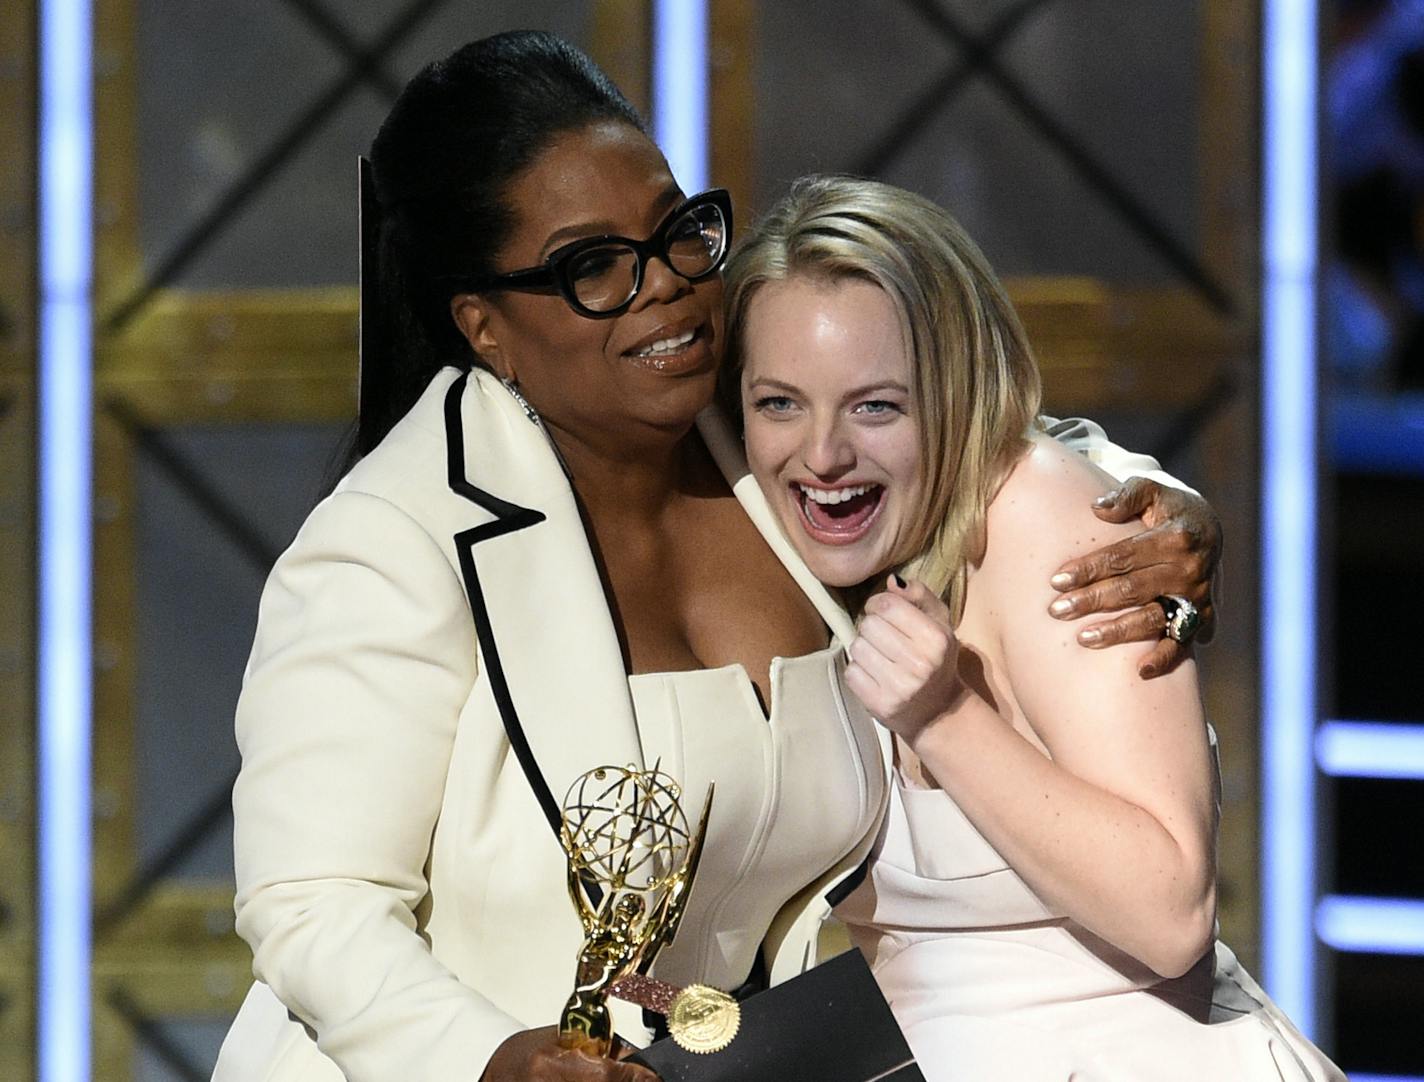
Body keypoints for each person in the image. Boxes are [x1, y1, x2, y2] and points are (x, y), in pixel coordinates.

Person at [212, 32, 1222, 1082]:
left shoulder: (738, 402)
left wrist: (1152, 512)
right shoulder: (390, 539)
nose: (663, 289)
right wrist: (487, 1059)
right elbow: (312, 904)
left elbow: (944, 415)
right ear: (486, 327)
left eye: (676, 232)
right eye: (589, 266)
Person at [725, 173, 1345, 1080]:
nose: (822, 455)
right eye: (779, 403)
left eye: (876, 406)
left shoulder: (1050, 523)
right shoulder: (766, 520)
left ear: (955, 390)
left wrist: (946, 717)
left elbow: (1170, 913)